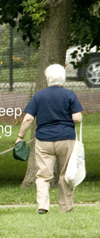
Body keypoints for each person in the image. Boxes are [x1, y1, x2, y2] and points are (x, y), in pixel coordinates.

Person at [16, 64, 83, 214]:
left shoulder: (39, 96)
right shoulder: (69, 94)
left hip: (43, 140)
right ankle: (65, 207)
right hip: (66, 139)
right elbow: (77, 118)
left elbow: (27, 119)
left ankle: (43, 206)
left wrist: (20, 137)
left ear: (47, 78)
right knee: (66, 173)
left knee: (43, 175)